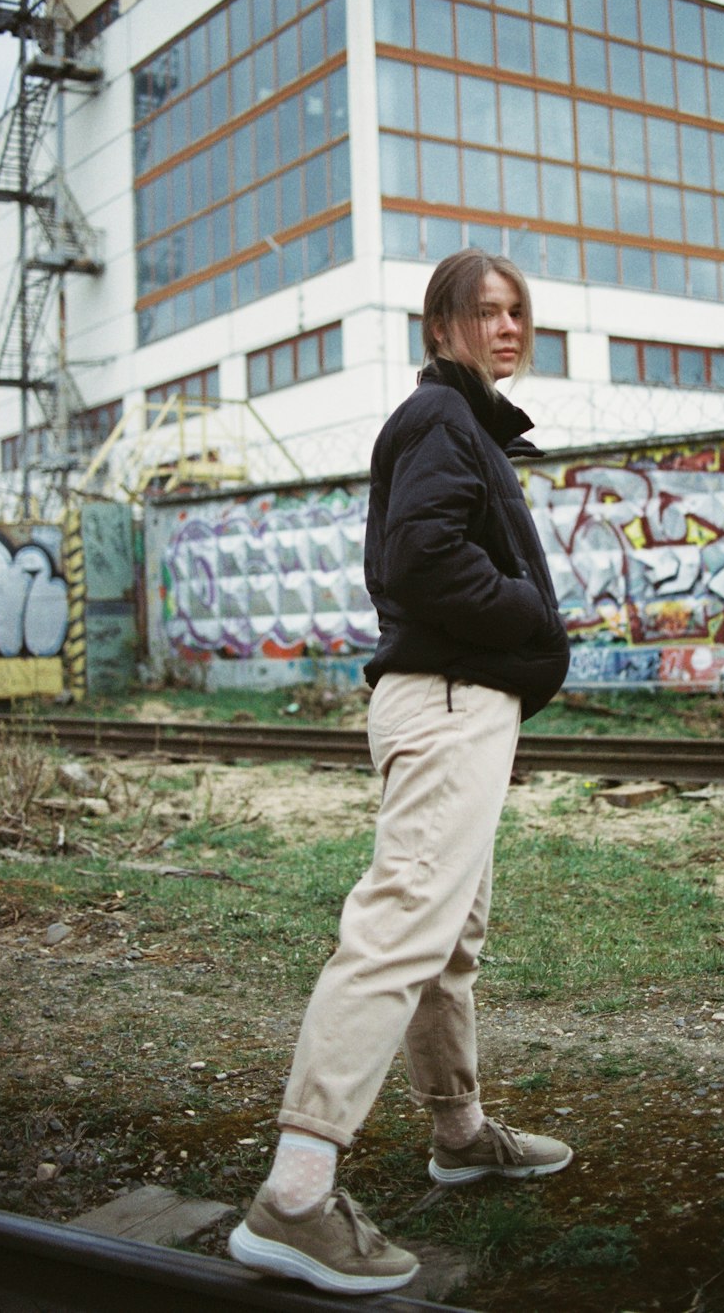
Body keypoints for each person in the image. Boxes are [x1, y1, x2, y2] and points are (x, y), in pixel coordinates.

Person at [229, 248, 571, 1295]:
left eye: (518, 312)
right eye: (486, 312)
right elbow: (418, 560)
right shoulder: (438, 419)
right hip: (448, 701)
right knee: (400, 926)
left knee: (447, 931)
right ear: (439, 328)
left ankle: (457, 1130)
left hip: (464, 704)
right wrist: (530, 609)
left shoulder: (465, 423)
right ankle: (293, 1191)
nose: (507, 327)